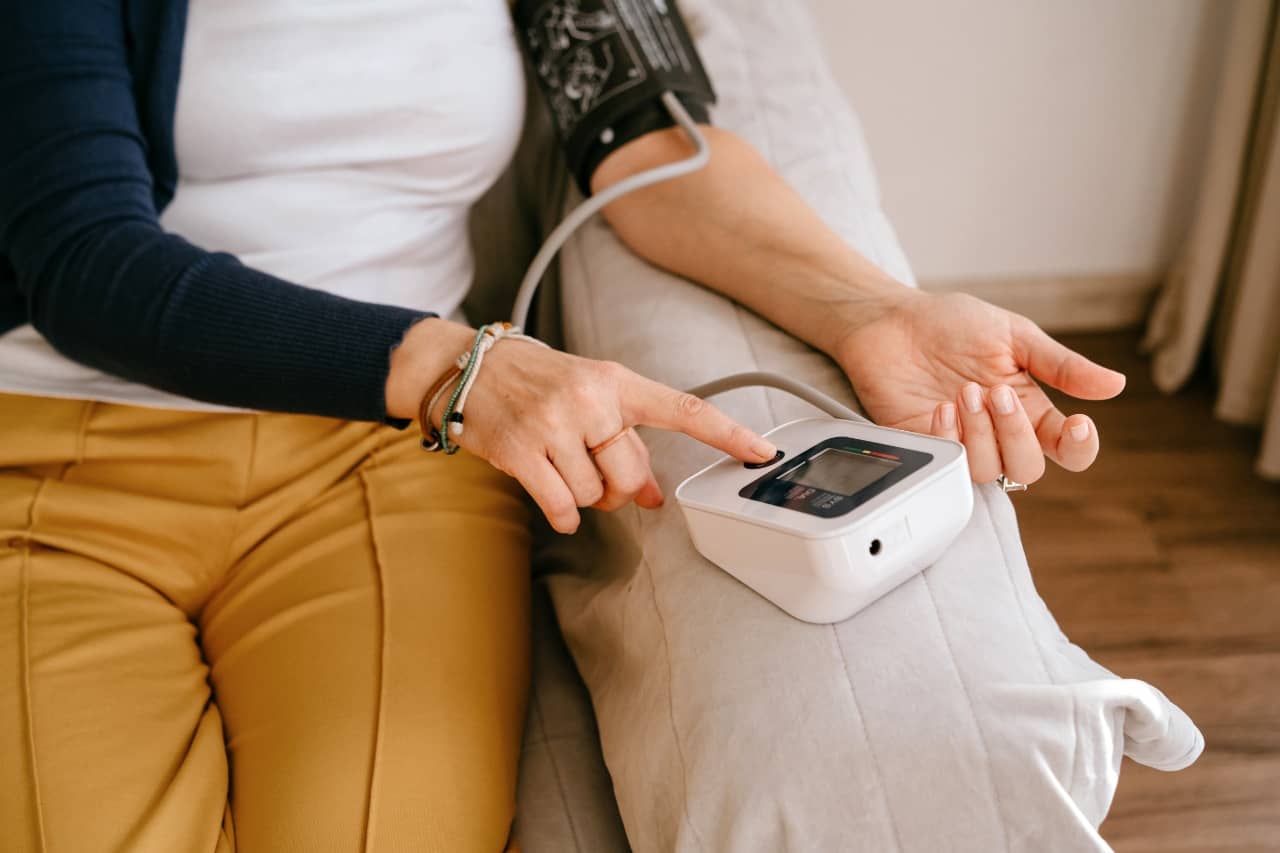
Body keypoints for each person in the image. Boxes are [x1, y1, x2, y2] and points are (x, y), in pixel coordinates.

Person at [0, 1, 1127, 850]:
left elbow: (647, 148)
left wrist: (871, 309)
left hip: (386, 464)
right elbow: (83, 256)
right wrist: (464, 368)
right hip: (61, 459)